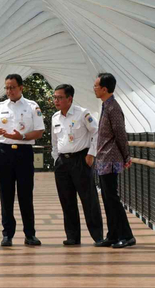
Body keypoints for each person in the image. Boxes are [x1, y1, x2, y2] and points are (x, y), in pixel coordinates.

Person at [0, 74, 45, 247]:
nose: (9, 91)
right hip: (4, 152)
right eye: (6, 88)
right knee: (6, 195)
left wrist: (23, 136)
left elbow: (39, 132)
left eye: (12, 87)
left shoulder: (32, 106)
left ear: (21, 88)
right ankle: (7, 234)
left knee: (26, 195)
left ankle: (30, 234)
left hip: (24, 152)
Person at [51, 84, 104, 245]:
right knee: (67, 200)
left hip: (81, 159)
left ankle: (98, 236)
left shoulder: (83, 113)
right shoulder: (55, 117)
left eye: (60, 97)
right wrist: (55, 159)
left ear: (69, 99)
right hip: (62, 162)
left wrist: (91, 153)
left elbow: (97, 132)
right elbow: (54, 141)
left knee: (89, 200)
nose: (56, 100)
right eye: (55, 97)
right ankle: (72, 236)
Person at [92, 73, 136, 249]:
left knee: (112, 198)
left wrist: (126, 156)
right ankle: (112, 235)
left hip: (110, 159)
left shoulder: (113, 108)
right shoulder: (106, 106)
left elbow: (120, 134)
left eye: (96, 86)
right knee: (107, 198)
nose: (93, 88)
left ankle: (127, 236)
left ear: (104, 89)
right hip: (103, 159)